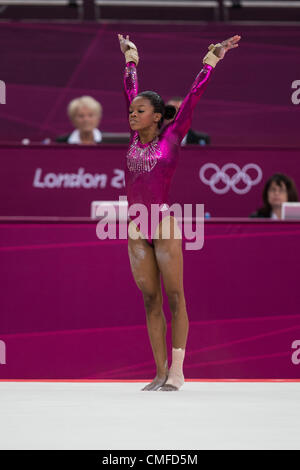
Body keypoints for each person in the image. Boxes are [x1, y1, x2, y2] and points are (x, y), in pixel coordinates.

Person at [118, 33, 241, 391]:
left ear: (157, 116)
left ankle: (178, 370)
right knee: (150, 299)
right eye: (130, 111)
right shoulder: (134, 138)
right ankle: (158, 372)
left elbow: (193, 94)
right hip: (137, 226)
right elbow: (130, 86)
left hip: (164, 224)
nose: (132, 115)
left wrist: (213, 59)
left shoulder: (172, 135)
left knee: (174, 296)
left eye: (139, 111)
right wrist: (131, 56)